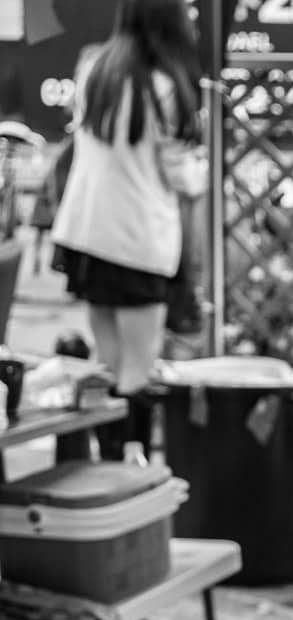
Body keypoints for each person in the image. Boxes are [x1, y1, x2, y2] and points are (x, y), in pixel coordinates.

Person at [50, 0, 201, 458]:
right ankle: (130, 471)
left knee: (108, 362)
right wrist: (209, 169)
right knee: (138, 368)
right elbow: (182, 175)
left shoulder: (95, 71)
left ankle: (112, 462)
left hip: (86, 235)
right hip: (137, 240)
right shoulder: (167, 86)